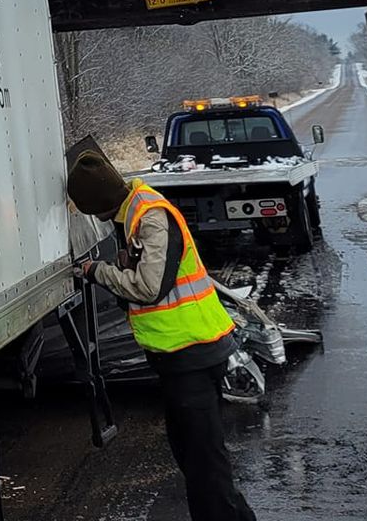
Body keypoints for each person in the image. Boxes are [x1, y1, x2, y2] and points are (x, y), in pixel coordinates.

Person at [68, 144, 257, 521]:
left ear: (99, 205)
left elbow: (148, 287)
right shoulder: (134, 210)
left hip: (192, 351)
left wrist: (95, 271)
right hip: (180, 355)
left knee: (206, 465)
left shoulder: (150, 216)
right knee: (192, 455)